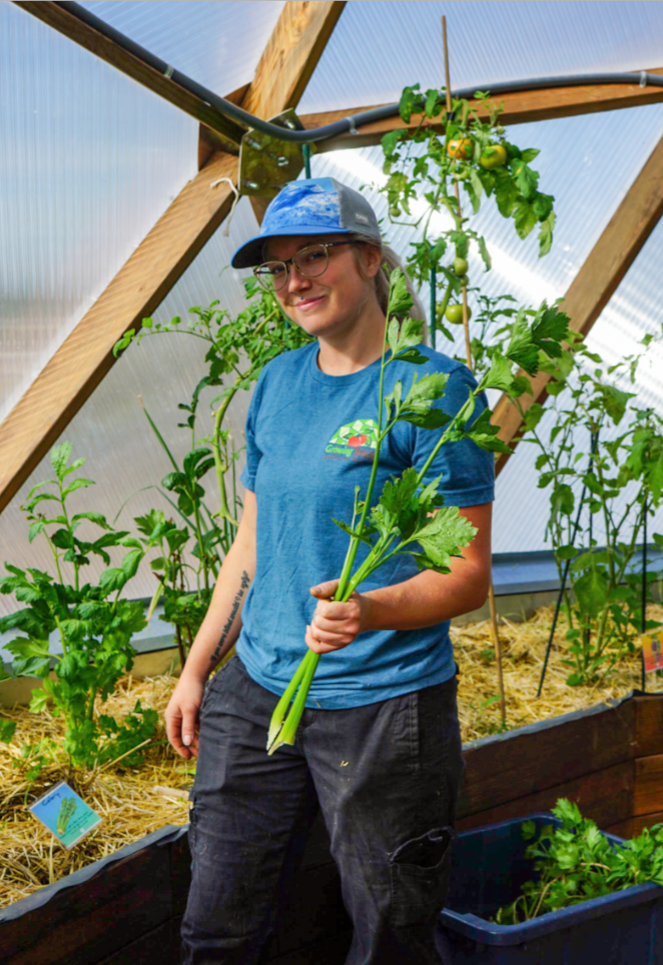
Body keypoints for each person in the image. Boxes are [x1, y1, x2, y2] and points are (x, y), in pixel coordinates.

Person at [165, 177, 495, 965]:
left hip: (382, 705)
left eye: (316, 255)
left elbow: (469, 572)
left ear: (370, 258)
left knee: (387, 930)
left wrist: (370, 609)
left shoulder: (433, 390)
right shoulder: (279, 384)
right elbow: (250, 543)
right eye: (278, 268)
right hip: (260, 686)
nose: (295, 281)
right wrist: (197, 667)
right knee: (216, 923)